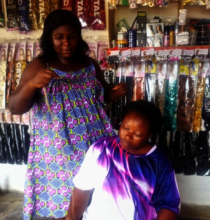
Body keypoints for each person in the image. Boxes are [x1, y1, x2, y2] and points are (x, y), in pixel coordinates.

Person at [8, 10, 127, 220]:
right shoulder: (40, 65)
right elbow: (15, 107)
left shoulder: (90, 65)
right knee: (63, 199)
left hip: (94, 143)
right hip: (57, 148)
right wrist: (32, 84)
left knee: (94, 195)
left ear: (78, 37)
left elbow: (102, 94)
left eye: (71, 36)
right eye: (59, 37)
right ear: (49, 38)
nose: (66, 43)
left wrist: (113, 93)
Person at [66, 100, 180, 220]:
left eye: (137, 134)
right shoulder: (101, 148)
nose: (128, 136)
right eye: (125, 127)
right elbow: (83, 189)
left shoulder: (160, 162)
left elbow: (169, 205)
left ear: (150, 134)